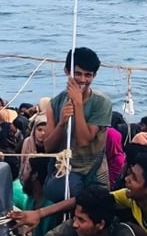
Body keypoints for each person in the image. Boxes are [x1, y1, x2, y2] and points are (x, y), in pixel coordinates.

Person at [13, 153, 147, 236]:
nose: (126, 179)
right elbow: (87, 201)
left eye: (134, 178)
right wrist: (39, 213)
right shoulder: (129, 196)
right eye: (129, 174)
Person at [43, 47, 113, 202]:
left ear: (94, 75)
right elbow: (48, 147)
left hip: (91, 169)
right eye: (78, 73)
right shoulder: (55, 103)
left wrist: (78, 104)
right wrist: (61, 123)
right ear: (67, 71)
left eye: (88, 75)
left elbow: (83, 140)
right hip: (63, 168)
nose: (82, 79)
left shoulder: (101, 103)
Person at [28, 186, 135, 236]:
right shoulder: (71, 227)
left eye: (82, 220)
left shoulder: (120, 231)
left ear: (100, 224)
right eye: (75, 218)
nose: (75, 224)